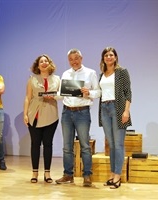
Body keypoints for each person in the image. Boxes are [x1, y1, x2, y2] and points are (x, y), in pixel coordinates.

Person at [55, 48, 101, 187]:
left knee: (85, 146)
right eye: (71, 59)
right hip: (67, 112)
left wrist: (89, 93)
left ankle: (87, 175)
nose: (73, 62)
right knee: (67, 146)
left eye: (76, 58)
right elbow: (62, 94)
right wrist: (53, 96)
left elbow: (98, 91)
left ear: (81, 58)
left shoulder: (90, 73)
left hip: (82, 112)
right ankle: (68, 174)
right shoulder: (65, 73)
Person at [98, 47, 132, 189]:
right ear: (103, 58)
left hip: (117, 109)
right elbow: (100, 93)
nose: (109, 57)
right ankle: (112, 174)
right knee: (111, 145)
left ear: (116, 57)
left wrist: (126, 111)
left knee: (118, 145)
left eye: (111, 55)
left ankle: (118, 176)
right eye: (106, 55)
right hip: (104, 109)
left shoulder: (122, 72)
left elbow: (128, 92)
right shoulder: (102, 74)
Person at [23, 54, 61, 183]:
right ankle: (34, 173)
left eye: (46, 61)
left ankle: (47, 174)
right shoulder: (32, 79)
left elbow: (62, 95)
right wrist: (25, 114)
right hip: (35, 115)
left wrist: (54, 97)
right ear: (37, 65)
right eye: (41, 62)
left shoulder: (57, 79)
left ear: (50, 64)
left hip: (51, 115)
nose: (44, 63)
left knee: (48, 144)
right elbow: (28, 97)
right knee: (35, 144)